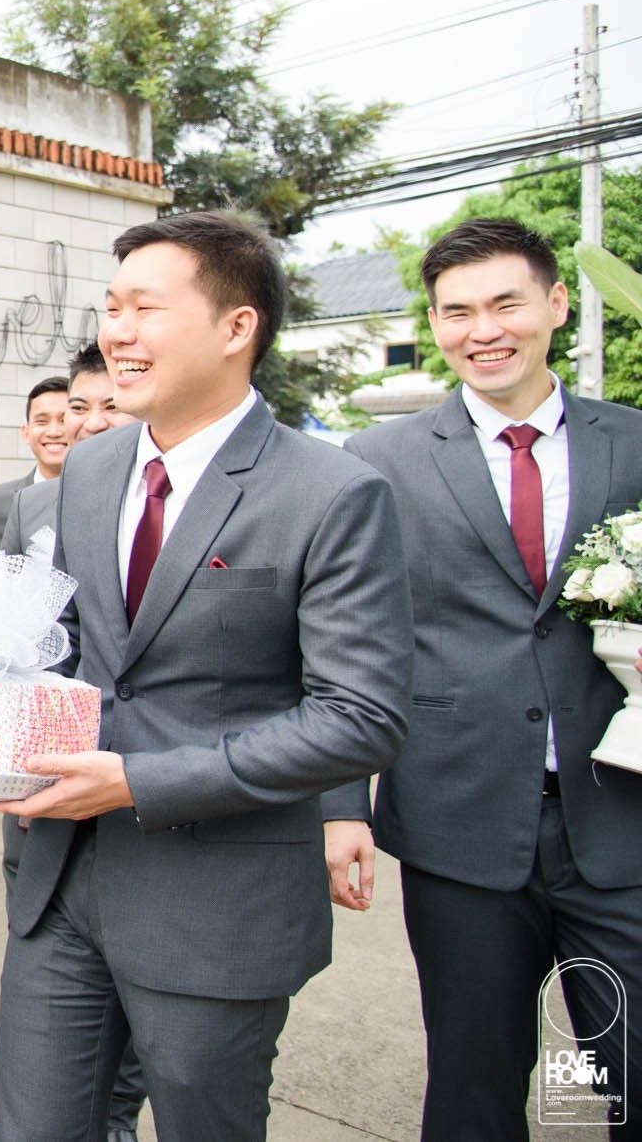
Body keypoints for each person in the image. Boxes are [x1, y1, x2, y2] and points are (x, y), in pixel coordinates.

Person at [0, 211, 412, 1142]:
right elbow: (73, 647)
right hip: (61, 882)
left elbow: (359, 716)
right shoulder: (92, 468)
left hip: (217, 900)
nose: (117, 332)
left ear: (236, 326)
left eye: (145, 308)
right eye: (111, 307)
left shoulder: (331, 492)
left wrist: (139, 781)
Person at [322, 218, 642, 1142]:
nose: (484, 329)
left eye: (506, 302)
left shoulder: (634, 444)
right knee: (473, 1084)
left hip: (621, 814)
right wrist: (341, 805)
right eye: (457, 311)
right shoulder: (377, 461)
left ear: (557, 303)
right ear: (434, 323)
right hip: (457, 820)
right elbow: (346, 643)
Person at [0, 338, 148, 1142]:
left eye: (106, 405)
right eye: (75, 407)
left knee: (141, 1031)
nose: (86, 423)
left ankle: (116, 1115)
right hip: (47, 808)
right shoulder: (40, 504)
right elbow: (21, 631)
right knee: (35, 1068)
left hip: (155, 809)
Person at [0, 343, 126, 556]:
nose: (94, 423)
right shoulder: (28, 506)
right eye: (79, 408)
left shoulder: (161, 497)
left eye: (112, 407)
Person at [0, 376, 71, 551]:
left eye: (64, 420)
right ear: (26, 433)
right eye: (42, 422)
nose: (54, 432)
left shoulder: (105, 495)